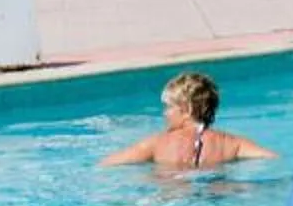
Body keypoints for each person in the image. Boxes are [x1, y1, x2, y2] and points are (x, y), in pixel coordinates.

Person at [101, 71, 275, 173]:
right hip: (216, 197)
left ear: (186, 110)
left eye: (169, 107)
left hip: (172, 199)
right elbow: (272, 158)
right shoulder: (232, 143)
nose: (165, 114)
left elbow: (107, 164)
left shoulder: (156, 143)